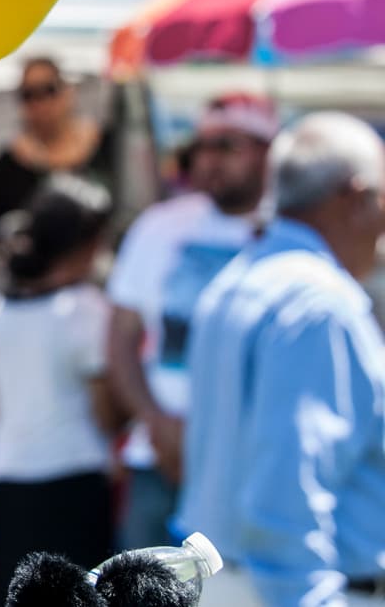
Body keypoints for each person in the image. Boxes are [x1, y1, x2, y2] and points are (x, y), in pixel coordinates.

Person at [177, 112, 385, 607]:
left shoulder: (237, 280)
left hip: (222, 582)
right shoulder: (319, 304)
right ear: (354, 197)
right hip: (295, 590)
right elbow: (286, 484)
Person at [105, 92, 278, 550]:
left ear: (268, 154)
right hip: (159, 459)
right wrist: (155, 420)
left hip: (248, 466)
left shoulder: (285, 235)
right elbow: (120, 339)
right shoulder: (159, 227)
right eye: (204, 145)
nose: (211, 160)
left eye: (229, 146)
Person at [0, 174, 121, 607]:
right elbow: (106, 413)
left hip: (11, 487)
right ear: (88, 242)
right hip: (77, 485)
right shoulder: (86, 311)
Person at [0, 57, 110, 255]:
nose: (40, 103)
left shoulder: (104, 145)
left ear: (68, 91)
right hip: (32, 280)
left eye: (49, 90)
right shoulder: (10, 162)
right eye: (28, 95)